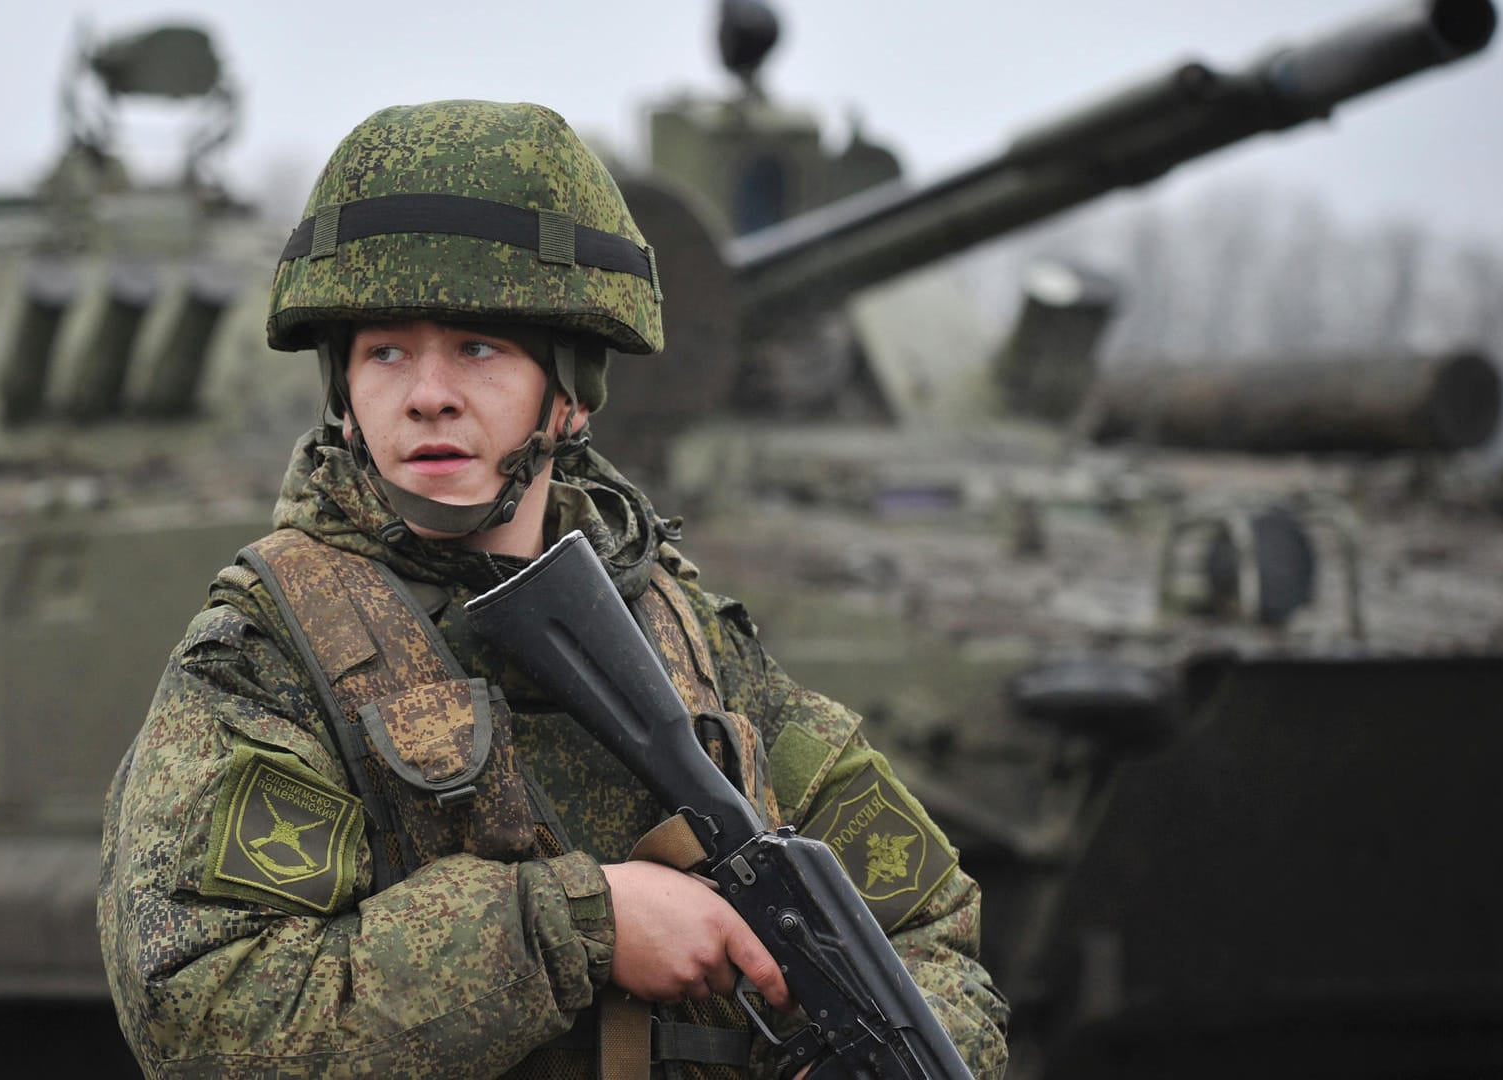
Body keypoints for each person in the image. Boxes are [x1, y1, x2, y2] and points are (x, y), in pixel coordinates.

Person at [99, 99, 1008, 1079]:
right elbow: (205, 1012)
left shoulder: (680, 628)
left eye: (479, 349)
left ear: (570, 393)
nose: (428, 393)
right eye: (386, 352)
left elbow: (928, 927)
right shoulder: (273, 649)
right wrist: (585, 925)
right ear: (346, 400)